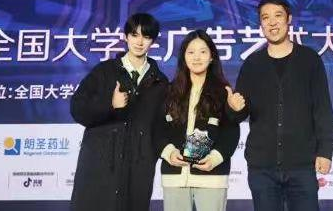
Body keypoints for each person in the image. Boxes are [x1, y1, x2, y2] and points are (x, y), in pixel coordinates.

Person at [226, 0, 333, 211]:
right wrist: (233, 108)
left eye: (278, 15)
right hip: (262, 168)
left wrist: (325, 150)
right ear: (261, 24)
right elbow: (239, 113)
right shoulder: (252, 63)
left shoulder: (309, 59)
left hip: (301, 165)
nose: (272, 22)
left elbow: (322, 108)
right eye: (265, 17)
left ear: (289, 19)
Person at [70, 13, 168, 211]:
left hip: (138, 169)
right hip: (100, 165)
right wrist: (110, 105)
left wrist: (151, 154)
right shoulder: (104, 71)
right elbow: (77, 109)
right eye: (134, 35)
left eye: (146, 36)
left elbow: (161, 128)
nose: (139, 42)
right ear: (126, 37)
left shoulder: (161, 82)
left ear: (153, 41)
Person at [160, 29, 240, 211]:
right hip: (175, 177)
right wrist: (168, 152)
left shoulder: (223, 92)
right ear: (183, 57)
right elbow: (158, 129)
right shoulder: (170, 91)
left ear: (212, 57)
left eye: (203, 52)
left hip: (212, 176)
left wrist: (215, 158)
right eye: (191, 52)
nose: (196, 57)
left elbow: (231, 132)